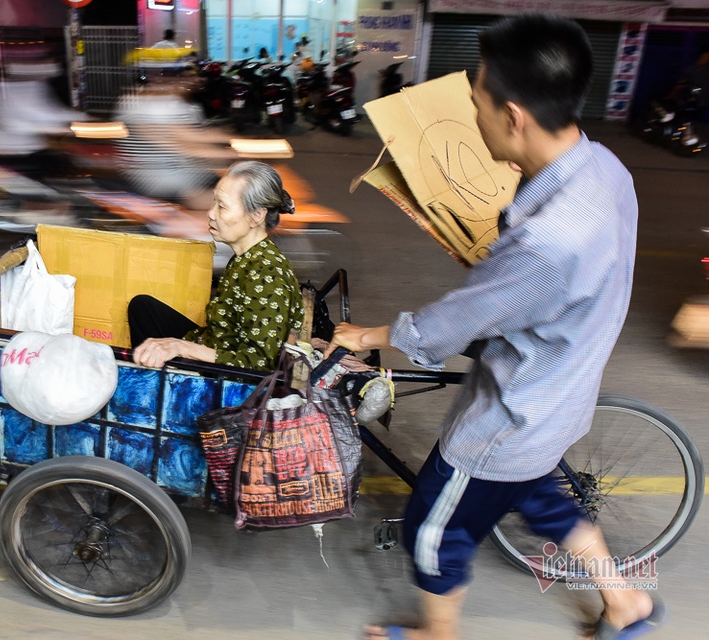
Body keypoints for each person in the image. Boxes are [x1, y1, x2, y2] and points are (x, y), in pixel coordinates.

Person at [325, 14, 662, 640]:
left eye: (477, 100)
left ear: (514, 117)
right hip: (564, 389)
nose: (471, 115)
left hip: (512, 415)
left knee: (434, 525)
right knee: (542, 499)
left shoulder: (549, 243)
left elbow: (452, 324)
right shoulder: (606, 169)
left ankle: (439, 634)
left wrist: (368, 336)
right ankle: (625, 604)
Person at [128, 161, 303, 372]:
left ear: (256, 216)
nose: (211, 213)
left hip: (231, 379)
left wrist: (182, 347)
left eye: (222, 207)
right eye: (214, 204)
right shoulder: (245, 257)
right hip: (215, 342)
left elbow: (258, 364)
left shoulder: (266, 275)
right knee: (143, 308)